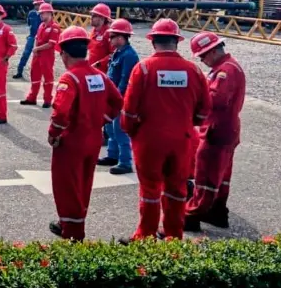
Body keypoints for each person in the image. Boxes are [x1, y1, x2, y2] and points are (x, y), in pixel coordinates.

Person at [120, 19, 211, 241]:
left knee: (150, 190)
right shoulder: (194, 70)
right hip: (183, 140)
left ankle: (145, 236)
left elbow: (129, 111)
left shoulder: (143, 69)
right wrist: (187, 122)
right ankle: (173, 235)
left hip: (150, 140)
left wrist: (131, 131)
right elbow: (204, 111)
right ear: (177, 42)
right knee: (177, 190)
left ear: (152, 42)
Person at [48, 27, 123, 241]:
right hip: (93, 139)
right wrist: (102, 120)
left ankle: (72, 232)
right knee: (83, 184)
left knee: (67, 187)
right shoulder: (99, 76)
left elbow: (61, 113)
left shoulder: (69, 78)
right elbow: (117, 102)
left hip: (72, 141)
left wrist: (54, 133)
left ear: (64, 53)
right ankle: (72, 222)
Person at [184, 32, 245, 232]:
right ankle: (217, 212)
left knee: (206, 175)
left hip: (216, 130)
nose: (202, 61)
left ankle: (191, 215)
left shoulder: (224, 72)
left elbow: (215, 100)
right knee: (222, 175)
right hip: (226, 129)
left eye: (203, 56)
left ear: (213, 51)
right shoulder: (228, 67)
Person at [97, 18, 140, 175]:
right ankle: (112, 155)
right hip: (112, 96)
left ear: (121, 37)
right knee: (110, 127)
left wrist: (117, 98)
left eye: (112, 36)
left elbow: (125, 79)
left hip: (120, 98)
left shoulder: (129, 55)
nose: (110, 39)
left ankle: (125, 162)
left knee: (119, 129)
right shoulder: (118, 53)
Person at [20, 2, 60, 108]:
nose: (41, 15)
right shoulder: (41, 25)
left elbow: (51, 44)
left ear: (49, 13)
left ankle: (47, 100)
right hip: (38, 55)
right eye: (41, 13)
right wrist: (36, 49)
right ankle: (32, 98)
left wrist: (37, 48)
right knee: (35, 76)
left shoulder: (54, 27)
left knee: (48, 78)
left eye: (43, 13)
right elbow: (37, 38)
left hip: (47, 56)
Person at [14, 0, 44, 79]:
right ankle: (19, 71)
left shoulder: (44, 14)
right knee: (25, 54)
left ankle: (40, 74)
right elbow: (29, 24)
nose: (37, 6)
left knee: (41, 56)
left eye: (39, 4)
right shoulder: (31, 13)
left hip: (41, 38)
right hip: (32, 36)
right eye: (36, 4)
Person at [88, 3, 113, 71]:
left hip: (103, 72)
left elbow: (114, 54)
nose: (91, 18)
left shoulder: (109, 33)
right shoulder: (94, 31)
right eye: (91, 15)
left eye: (94, 16)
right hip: (92, 69)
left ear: (102, 18)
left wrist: (99, 63)